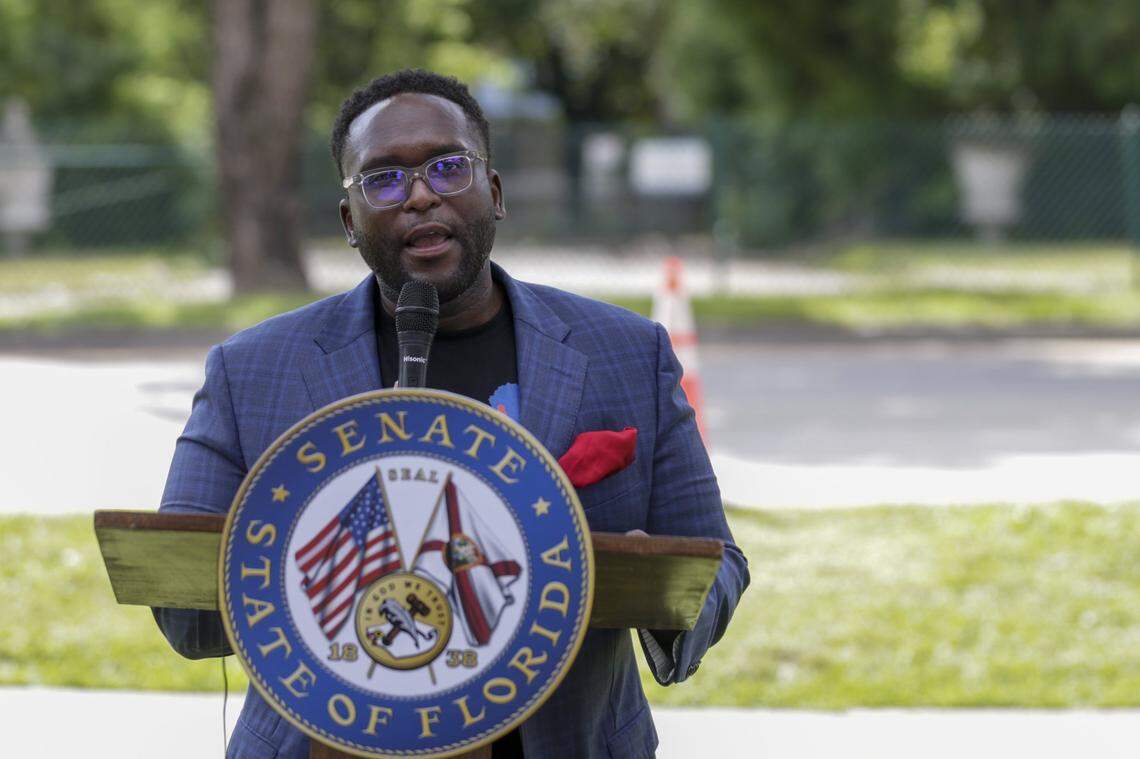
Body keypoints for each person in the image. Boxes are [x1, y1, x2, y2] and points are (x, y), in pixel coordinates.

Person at [153, 68, 749, 759]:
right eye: (383, 179)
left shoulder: (625, 353)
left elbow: (718, 563)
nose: (420, 195)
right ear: (350, 221)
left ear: (493, 193)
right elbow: (180, 599)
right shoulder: (252, 371)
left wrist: (646, 586)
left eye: (447, 167)